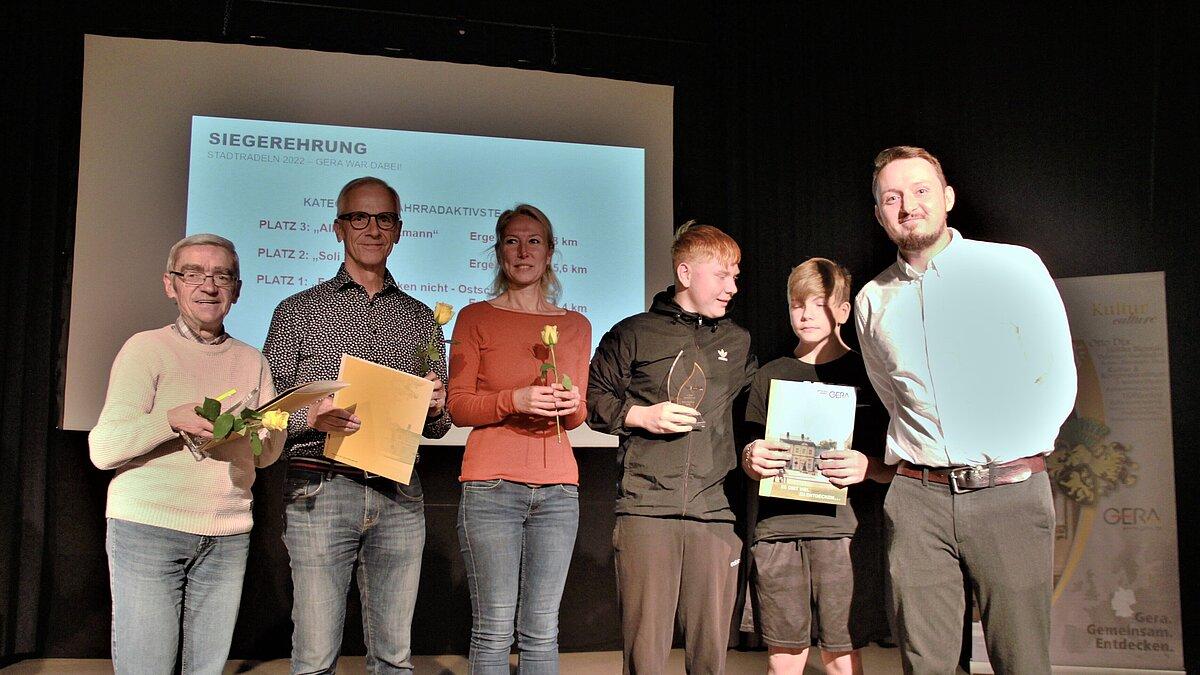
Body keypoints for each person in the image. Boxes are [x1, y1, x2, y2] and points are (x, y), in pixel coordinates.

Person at [855, 146, 1076, 674]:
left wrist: (1013, 460)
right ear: (881, 214)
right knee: (926, 664)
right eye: (892, 197)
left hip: (1010, 494)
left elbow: (1056, 376)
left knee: (1021, 661)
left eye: (920, 191)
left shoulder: (1013, 266)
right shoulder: (872, 300)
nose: (908, 206)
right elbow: (891, 394)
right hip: (917, 503)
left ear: (947, 197)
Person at [262, 176, 451, 674]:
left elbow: (438, 428)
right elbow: (268, 416)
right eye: (359, 217)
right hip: (321, 490)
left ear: (399, 230)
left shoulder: (420, 319)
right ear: (338, 228)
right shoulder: (297, 310)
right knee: (316, 657)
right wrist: (311, 416)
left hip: (398, 494)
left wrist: (434, 408)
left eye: (384, 218)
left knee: (394, 657)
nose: (372, 228)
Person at [89, 234, 284, 674]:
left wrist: (270, 427)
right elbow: (103, 449)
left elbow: (267, 458)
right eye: (193, 273)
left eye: (221, 275)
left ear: (237, 289)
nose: (208, 285)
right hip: (148, 528)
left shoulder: (253, 360)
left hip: (227, 531)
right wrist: (170, 420)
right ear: (170, 284)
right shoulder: (145, 348)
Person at [587, 222, 756, 674]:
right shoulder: (634, 333)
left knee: (711, 657)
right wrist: (642, 415)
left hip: (714, 513)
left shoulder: (738, 343)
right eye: (722, 275)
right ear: (686, 273)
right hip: (647, 510)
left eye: (736, 276)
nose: (732, 288)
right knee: (645, 655)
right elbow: (593, 399)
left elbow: (757, 414)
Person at [447, 204, 591, 673]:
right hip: (491, 487)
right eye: (512, 241)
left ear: (550, 254)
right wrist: (514, 399)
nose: (523, 251)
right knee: (492, 628)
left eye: (534, 242)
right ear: (499, 251)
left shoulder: (575, 326)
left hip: (557, 489)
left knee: (542, 629)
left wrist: (571, 407)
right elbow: (459, 405)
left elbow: (577, 416)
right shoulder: (474, 317)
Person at [740, 258, 893, 675]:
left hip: (844, 533)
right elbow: (749, 455)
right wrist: (753, 458)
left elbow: (896, 466)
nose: (806, 314)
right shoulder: (769, 375)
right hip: (778, 532)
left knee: (842, 660)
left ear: (843, 311)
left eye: (820, 304)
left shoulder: (869, 373)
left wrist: (869, 466)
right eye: (797, 304)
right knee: (785, 661)